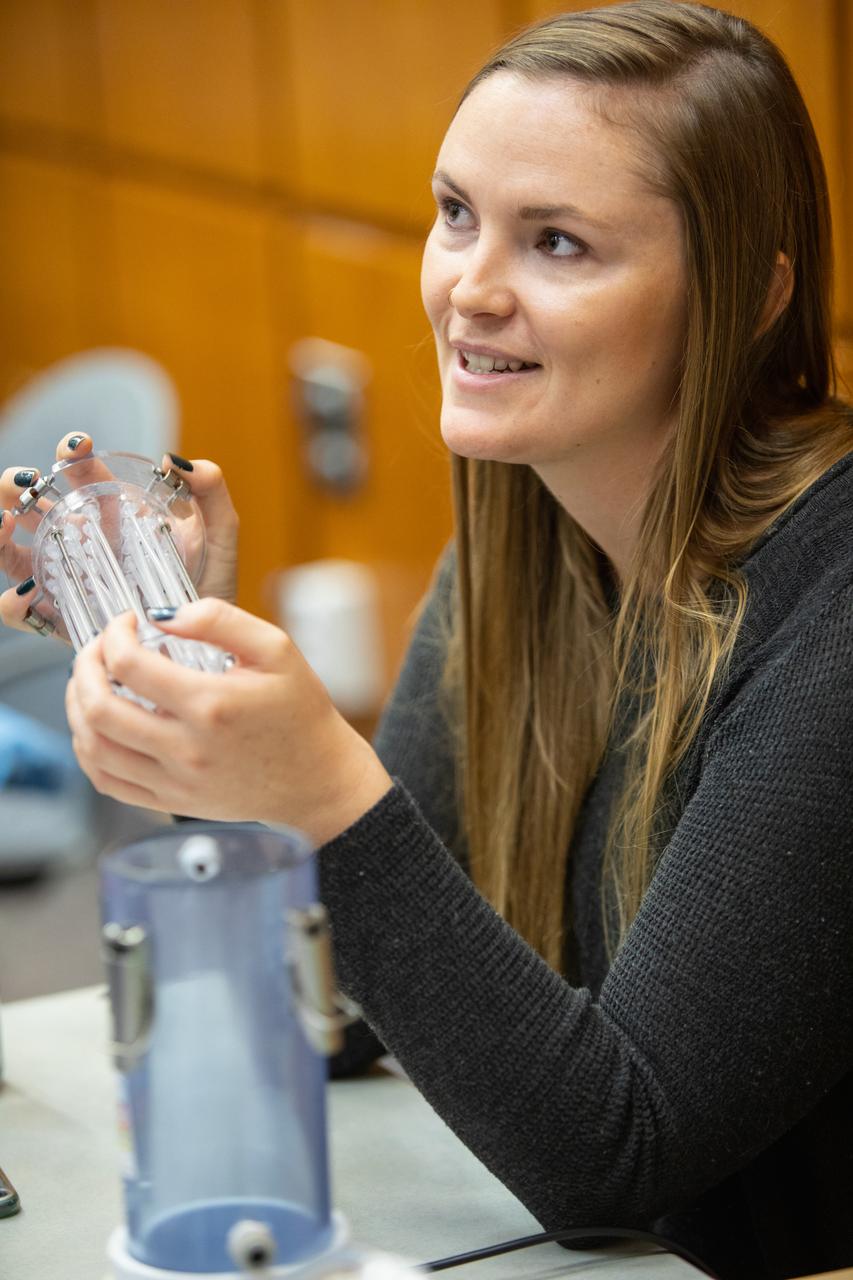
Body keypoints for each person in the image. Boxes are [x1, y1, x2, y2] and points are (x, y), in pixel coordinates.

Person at [1, 3, 851, 1277]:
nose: (469, 286)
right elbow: (346, 1000)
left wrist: (331, 791)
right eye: (457, 213)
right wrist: (208, 709)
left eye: (557, 242)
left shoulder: (833, 597)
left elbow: (614, 1153)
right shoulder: (527, 529)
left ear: (750, 290)